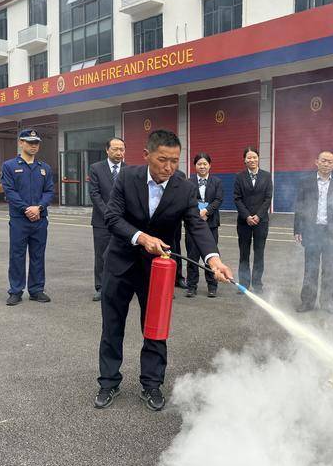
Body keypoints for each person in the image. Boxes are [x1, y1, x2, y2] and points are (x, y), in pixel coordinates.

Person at [95, 129, 233, 412]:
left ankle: (152, 384)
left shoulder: (184, 187)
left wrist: (214, 259)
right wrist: (141, 238)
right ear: (147, 155)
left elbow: (196, 225)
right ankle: (108, 382)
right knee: (112, 326)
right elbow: (112, 218)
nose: (169, 167)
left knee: (155, 329)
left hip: (157, 270)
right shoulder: (127, 178)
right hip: (120, 263)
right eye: (162, 160)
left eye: (174, 161)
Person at [293, 151, 333, 313]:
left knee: (330, 270)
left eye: (329, 161)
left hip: (332, 233)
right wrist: (297, 229)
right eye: (323, 160)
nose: (326, 164)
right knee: (310, 270)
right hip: (312, 231)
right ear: (316, 162)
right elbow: (300, 206)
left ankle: (327, 303)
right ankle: (307, 303)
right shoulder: (306, 182)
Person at [1, 129, 54, 305]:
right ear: (21, 143)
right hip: (19, 219)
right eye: (30, 142)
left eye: (36, 143)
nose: (33, 146)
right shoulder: (9, 166)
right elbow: (10, 191)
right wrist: (26, 209)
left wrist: (39, 207)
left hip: (40, 219)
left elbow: (49, 191)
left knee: (38, 255)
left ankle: (36, 290)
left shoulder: (44, 168)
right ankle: (16, 291)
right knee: (17, 255)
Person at [89, 138, 126, 302]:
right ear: (107, 150)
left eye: (122, 149)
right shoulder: (96, 168)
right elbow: (95, 194)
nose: (119, 153)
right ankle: (101, 287)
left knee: (122, 254)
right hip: (102, 221)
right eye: (115, 149)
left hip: (123, 222)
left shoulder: (128, 170)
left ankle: (120, 286)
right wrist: (109, 214)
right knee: (102, 255)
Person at [233, 146, 272, 293]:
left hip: (261, 222)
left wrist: (258, 215)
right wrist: (247, 216)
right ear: (244, 160)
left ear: (258, 158)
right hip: (244, 222)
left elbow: (268, 198)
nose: (252, 160)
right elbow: (237, 198)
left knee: (259, 253)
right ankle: (243, 284)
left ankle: (257, 284)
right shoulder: (239, 177)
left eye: (254, 157)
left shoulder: (266, 176)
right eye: (249, 157)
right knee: (244, 254)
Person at [185, 153, 224, 298]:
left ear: (210, 165)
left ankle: (212, 286)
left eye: (205, 164)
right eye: (199, 164)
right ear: (195, 166)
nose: (202, 166)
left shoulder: (217, 182)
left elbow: (218, 199)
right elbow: (186, 200)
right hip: (192, 224)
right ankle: (191, 286)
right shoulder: (188, 182)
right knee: (192, 257)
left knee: (211, 256)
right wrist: (197, 213)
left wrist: (207, 211)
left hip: (211, 223)